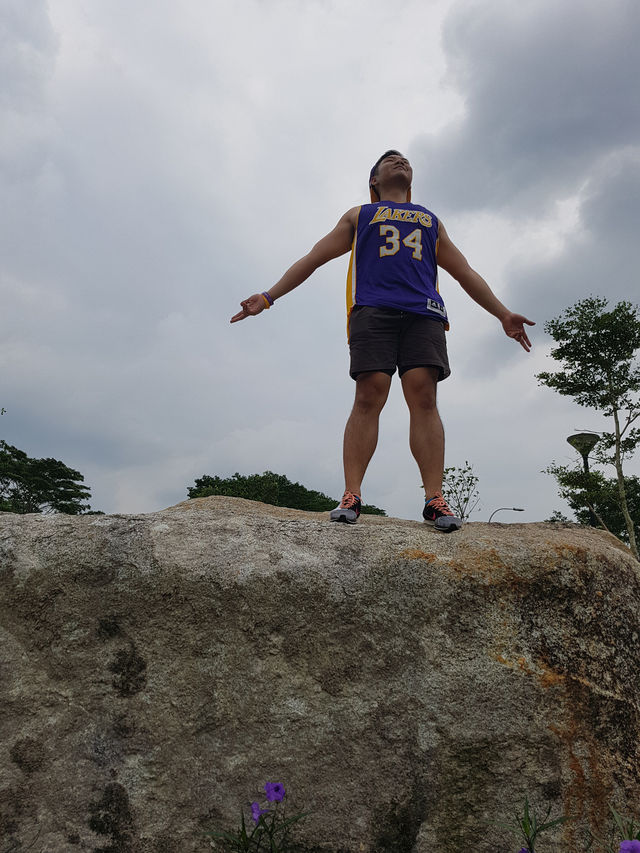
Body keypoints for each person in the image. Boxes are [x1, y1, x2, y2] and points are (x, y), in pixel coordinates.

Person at [231, 150, 534, 530]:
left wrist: (502, 313)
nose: (400, 161)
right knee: (369, 392)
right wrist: (268, 297)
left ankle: (434, 498)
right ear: (373, 180)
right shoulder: (360, 215)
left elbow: (464, 271)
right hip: (372, 310)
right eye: (389, 160)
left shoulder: (430, 220)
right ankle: (352, 494)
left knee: (424, 395)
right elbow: (313, 258)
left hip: (424, 313)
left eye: (405, 159)